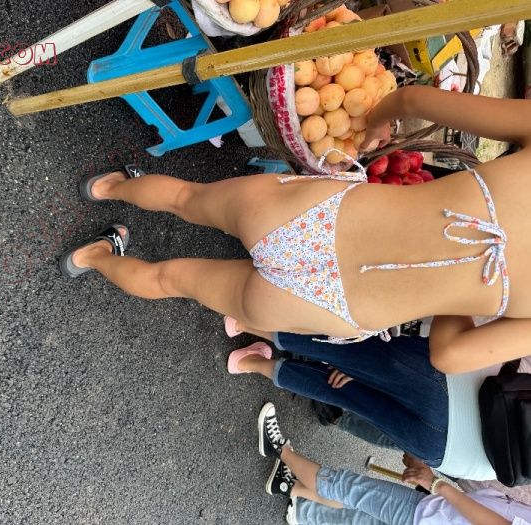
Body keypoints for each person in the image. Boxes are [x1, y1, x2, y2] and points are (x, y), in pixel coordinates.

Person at [60, 85, 531, 373]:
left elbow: (412, 99)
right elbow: (448, 357)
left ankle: (109, 187)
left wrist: (379, 123)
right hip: (337, 304)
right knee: (169, 281)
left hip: (322, 218)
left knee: (186, 198)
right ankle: (93, 257)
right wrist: (459, 291)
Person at [224, 317, 531, 481]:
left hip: (459, 386)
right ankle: (250, 364)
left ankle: (243, 322)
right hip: (454, 457)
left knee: (347, 350)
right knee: (343, 393)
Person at [257, 402, 531, 525]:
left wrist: (436, 484)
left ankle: (278, 449)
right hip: (434, 514)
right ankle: (289, 487)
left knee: (348, 488)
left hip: (430, 515)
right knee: (357, 506)